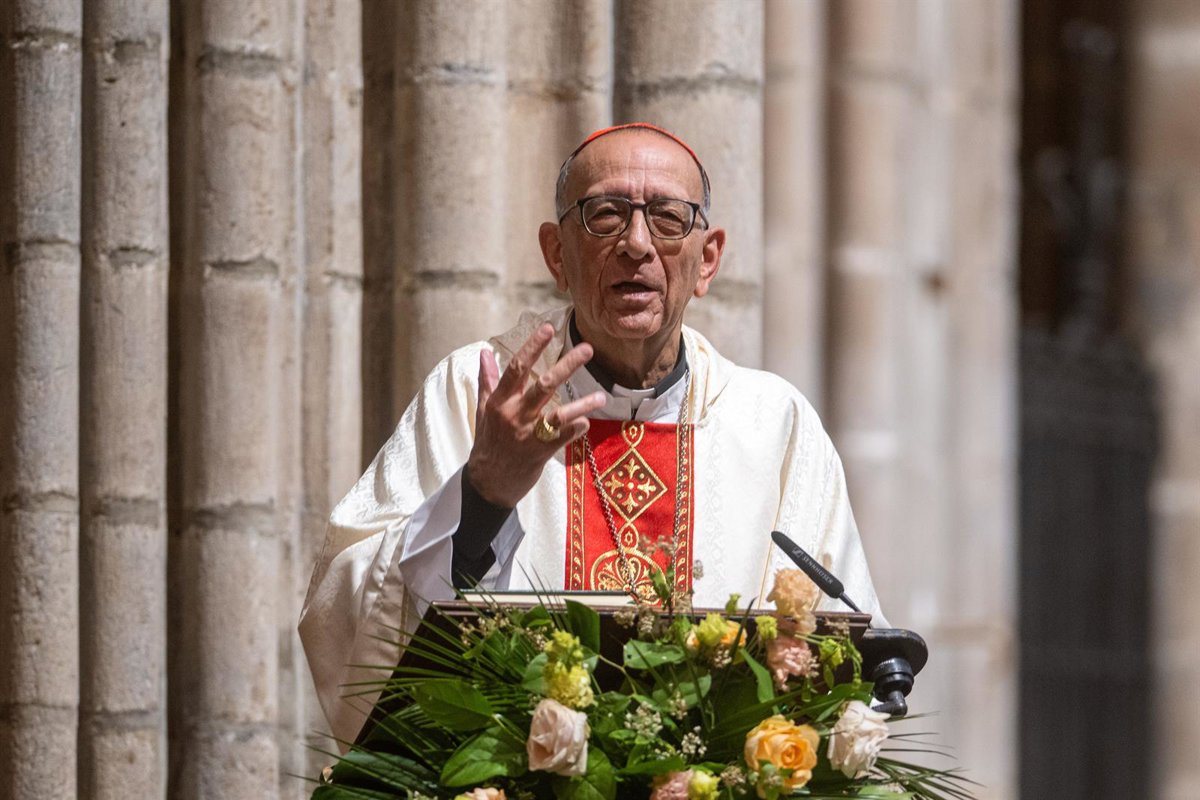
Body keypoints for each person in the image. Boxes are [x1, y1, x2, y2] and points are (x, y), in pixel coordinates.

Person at [299, 123, 886, 746]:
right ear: (557, 254)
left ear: (708, 259)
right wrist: (481, 496)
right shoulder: (478, 390)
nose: (637, 243)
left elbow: (854, 658)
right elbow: (347, 608)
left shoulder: (773, 426)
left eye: (667, 218)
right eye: (605, 214)